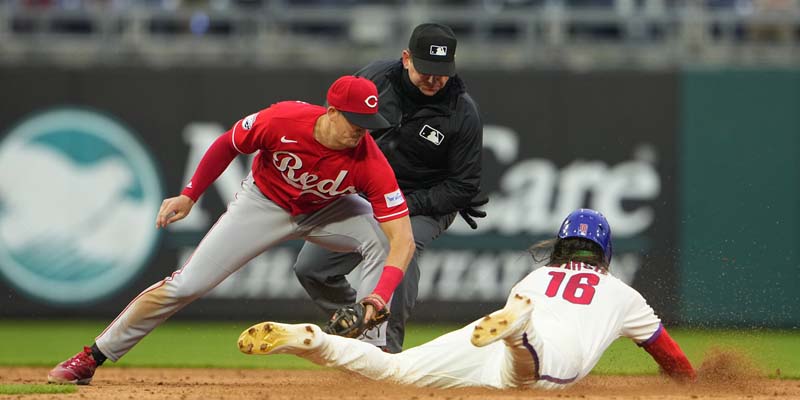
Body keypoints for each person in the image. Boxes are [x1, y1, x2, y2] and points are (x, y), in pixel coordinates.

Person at [47, 75, 416, 385]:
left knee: (382, 241)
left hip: (329, 210)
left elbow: (403, 238)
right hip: (264, 204)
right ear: (332, 112)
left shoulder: (369, 159)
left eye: (368, 123)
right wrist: (190, 195)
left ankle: (370, 357)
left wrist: (378, 298)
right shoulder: (283, 120)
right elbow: (227, 144)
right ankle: (92, 356)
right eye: (355, 122)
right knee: (186, 284)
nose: (362, 132)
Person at [239, 209, 697, 389]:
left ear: (558, 246)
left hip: (490, 338)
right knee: (530, 380)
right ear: (606, 253)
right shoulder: (623, 294)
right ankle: (521, 331)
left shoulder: (534, 277)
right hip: (541, 351)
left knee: (397, 370)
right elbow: (669, 355)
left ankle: (314, 340)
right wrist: (696, 384)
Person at [293, 22, 485, 352]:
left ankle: (386, 349)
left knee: (401, 249)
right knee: (311, 268)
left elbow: (463, 186)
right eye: (426, 69)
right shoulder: (375, 79)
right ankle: (355, 324)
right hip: (364, 193)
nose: (434, 79)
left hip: (423, 202)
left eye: (442, 72)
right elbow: (337, 125)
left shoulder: (462, 112)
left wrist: (403, 205)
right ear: (406, 58)